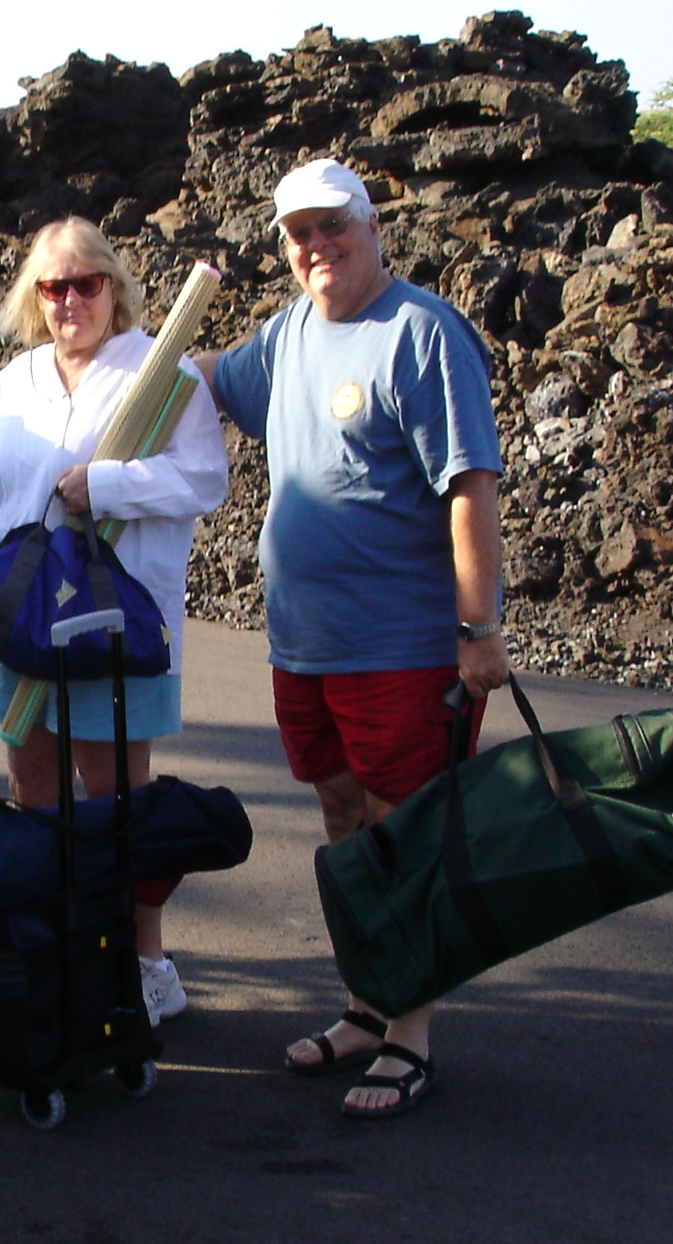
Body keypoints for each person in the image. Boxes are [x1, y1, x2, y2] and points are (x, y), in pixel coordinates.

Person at [195, 159, 511, 1119]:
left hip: (404, 648)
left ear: (373, 228)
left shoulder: (421, 333)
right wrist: (103, 357)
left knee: (403, 831)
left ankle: (411, 1037)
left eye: (333, 227)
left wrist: (478, 628)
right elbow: (205, 378)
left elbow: (471, 489)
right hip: (304, 646)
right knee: (342, 822)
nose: (316, 247)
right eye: (298, 235)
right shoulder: (286, 337)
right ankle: (368, 1007)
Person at [0, 216, 229, 1027]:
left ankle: (143, 962)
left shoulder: (160, 372)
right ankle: (55, 947)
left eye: (86, 283)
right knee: (32, 786)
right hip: (26, 624)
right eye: (53, 286)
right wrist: (4, 562)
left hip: (112, 619)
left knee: (115, 800)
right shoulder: (13, 383)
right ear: (35, 298)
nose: (70, 300)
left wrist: (105, 489)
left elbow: (203, 480)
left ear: (114, 286)